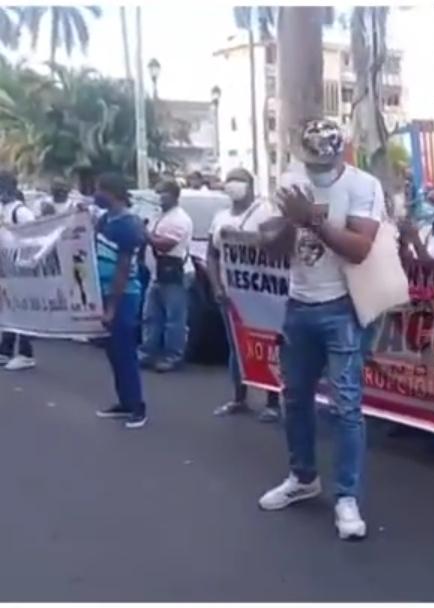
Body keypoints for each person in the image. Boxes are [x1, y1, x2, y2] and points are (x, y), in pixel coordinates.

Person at [256, 119, 387, 541]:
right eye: (310, 161)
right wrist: (284, 224)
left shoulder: (363, 186)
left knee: (346, 406)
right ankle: (303, 476)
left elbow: (360, 248)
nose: (316, 170)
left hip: (343, 305)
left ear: (340, 153)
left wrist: (311, 220)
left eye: (323, 162)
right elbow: (275, 248)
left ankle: (346, 496)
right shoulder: (291, 180)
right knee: (294, 397)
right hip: (299, 303)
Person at [206, 168, 282, 422]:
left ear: (250, 185)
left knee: (266, 346)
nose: (233, 185)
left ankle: (272, 402)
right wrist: (217, 287)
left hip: (261, 293)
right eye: (230, 180)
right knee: (236, 348)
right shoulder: (220, 217)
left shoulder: (265, 212)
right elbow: (212, 255)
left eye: (238, 180)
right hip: (231, 296)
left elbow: (277, 248)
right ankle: (239, 398)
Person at [93, 173, 149, 429]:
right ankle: (124, 402)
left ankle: (137, 406)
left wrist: (112, 307)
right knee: (114, 352)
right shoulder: (105, 219)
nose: (95, 194)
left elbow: (123, 268)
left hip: (124, 294)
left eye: (99, 190)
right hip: (104, 291)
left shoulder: (128, 224)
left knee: (125, 352)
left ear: (111, 192)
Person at [138, 180, 193, 373]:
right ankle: (147, 353)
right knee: (151, 316)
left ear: (174, 195)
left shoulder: (179, 219)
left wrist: (145, 234)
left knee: (174, 319)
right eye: (158, 192)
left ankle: (172, 356)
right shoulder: (158, 216)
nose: (159, 197)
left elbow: (164, 245)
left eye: (163, 193)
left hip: (175, 273)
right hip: (157, 273)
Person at [0, 170, 37, 371]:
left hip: (20, 270)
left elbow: (35, 237)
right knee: (9, 311)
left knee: (22, 313)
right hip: (6, 270)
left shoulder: (20, 212)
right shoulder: (3, 209)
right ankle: (5, 351)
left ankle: (26, 353)